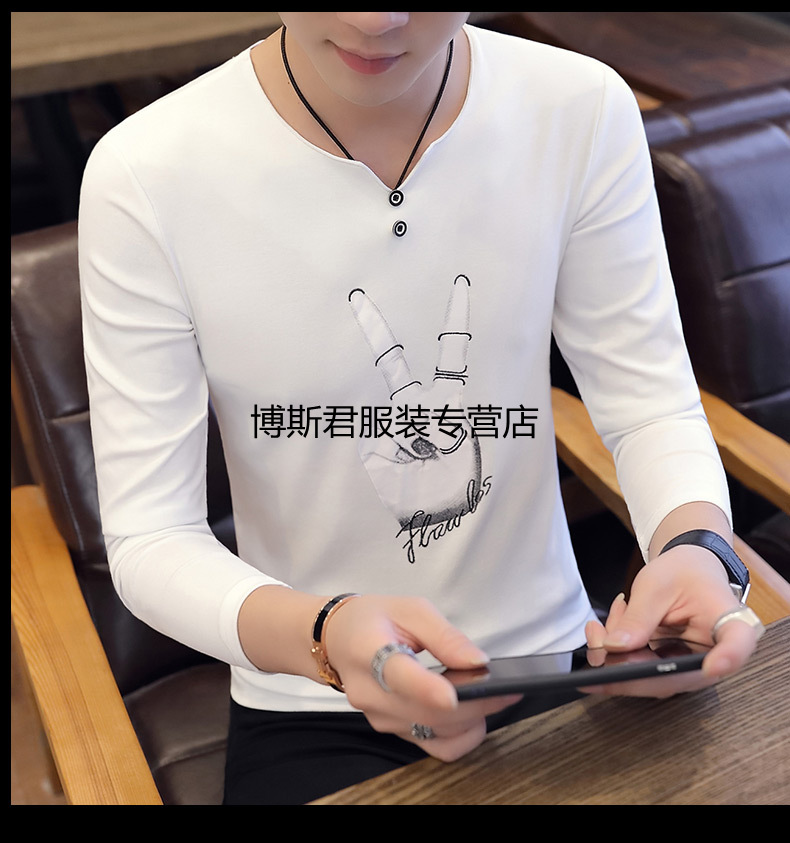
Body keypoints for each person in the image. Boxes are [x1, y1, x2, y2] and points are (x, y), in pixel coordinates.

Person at [78, 13, 763, 805]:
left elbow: (648, 405)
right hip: (313, 697)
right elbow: (151, 536)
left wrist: (699, 547)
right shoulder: (147, 171)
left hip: (566, 661)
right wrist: (324, 634)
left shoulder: (576, 108)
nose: (376, 20)